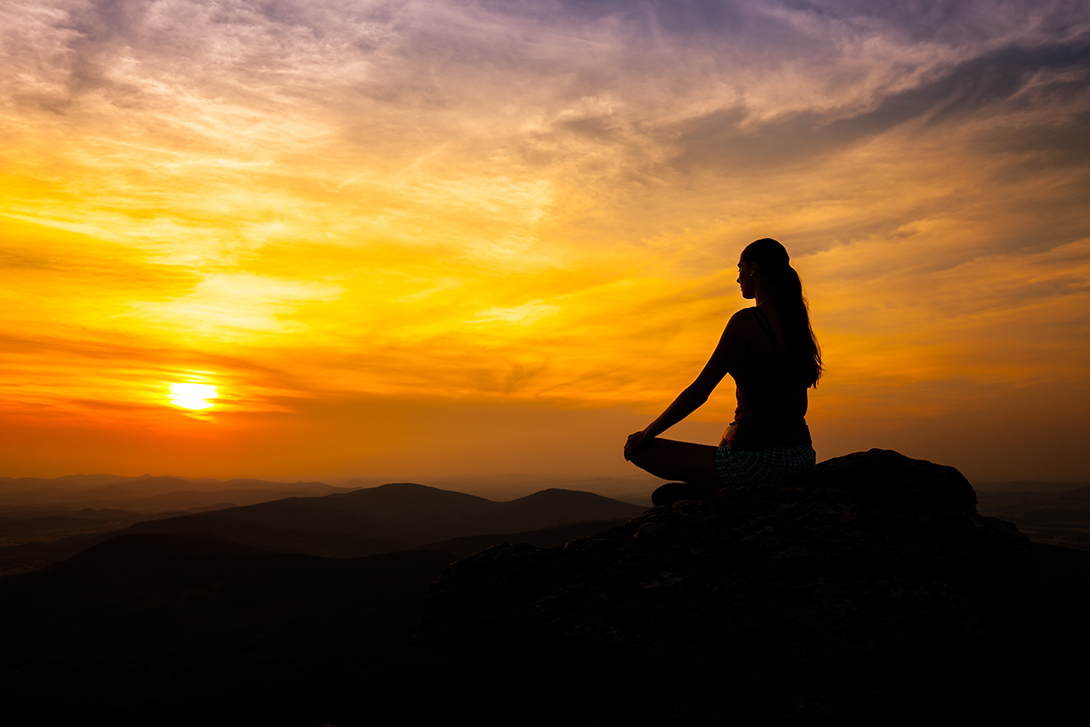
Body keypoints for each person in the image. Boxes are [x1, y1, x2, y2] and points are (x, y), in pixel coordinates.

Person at [623, 238, 822, 506]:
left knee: (640, 451)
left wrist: (646, 434)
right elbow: (800, 407)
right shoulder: (795, 325)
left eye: (740, 268)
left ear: (754, 268)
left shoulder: (747, 322)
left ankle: (713, 494)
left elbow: (698, 392)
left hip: (760, 463)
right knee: (729, 431)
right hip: (802, 457)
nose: (738, 278)